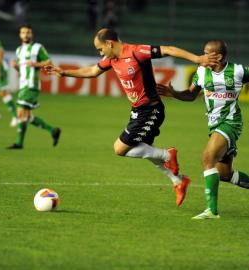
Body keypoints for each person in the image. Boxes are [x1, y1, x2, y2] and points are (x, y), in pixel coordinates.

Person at [44, 28, 219, 206]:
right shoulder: (111, 59)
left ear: (109, 43)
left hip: (151, 110)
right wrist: (64, 73)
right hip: (137, 111)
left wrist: (198, 59)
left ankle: (168, 154)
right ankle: (178, 181)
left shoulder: (136, 52)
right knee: (147, 151)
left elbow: (168, 49)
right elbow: (92, 71)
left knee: (120, 149)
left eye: (100, 49)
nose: (100, 53)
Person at [157, 40, 249, 219]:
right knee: (224, 174)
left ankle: (212, 211)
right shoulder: (201, 72)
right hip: (214, 124)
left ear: (219, 56)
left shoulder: (237, 71)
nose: (202, 56)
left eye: (207, 53)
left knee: (207, 158)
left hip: (230, 123)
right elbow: (191, 95)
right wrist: (174, 94)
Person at [7, 24, 61, 150]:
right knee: (26, 116)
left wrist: (36, 64)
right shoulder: (19, 50)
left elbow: (49, 62)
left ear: (32, 34)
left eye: (28, 32)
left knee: (21, 113)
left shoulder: (37, 48)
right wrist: (15, 66)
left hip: (32, 85)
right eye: (23, 32)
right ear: (20, 35)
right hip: (23, 84)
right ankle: (53, 130)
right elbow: (22, 69)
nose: (26, 35)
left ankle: (19, 143)